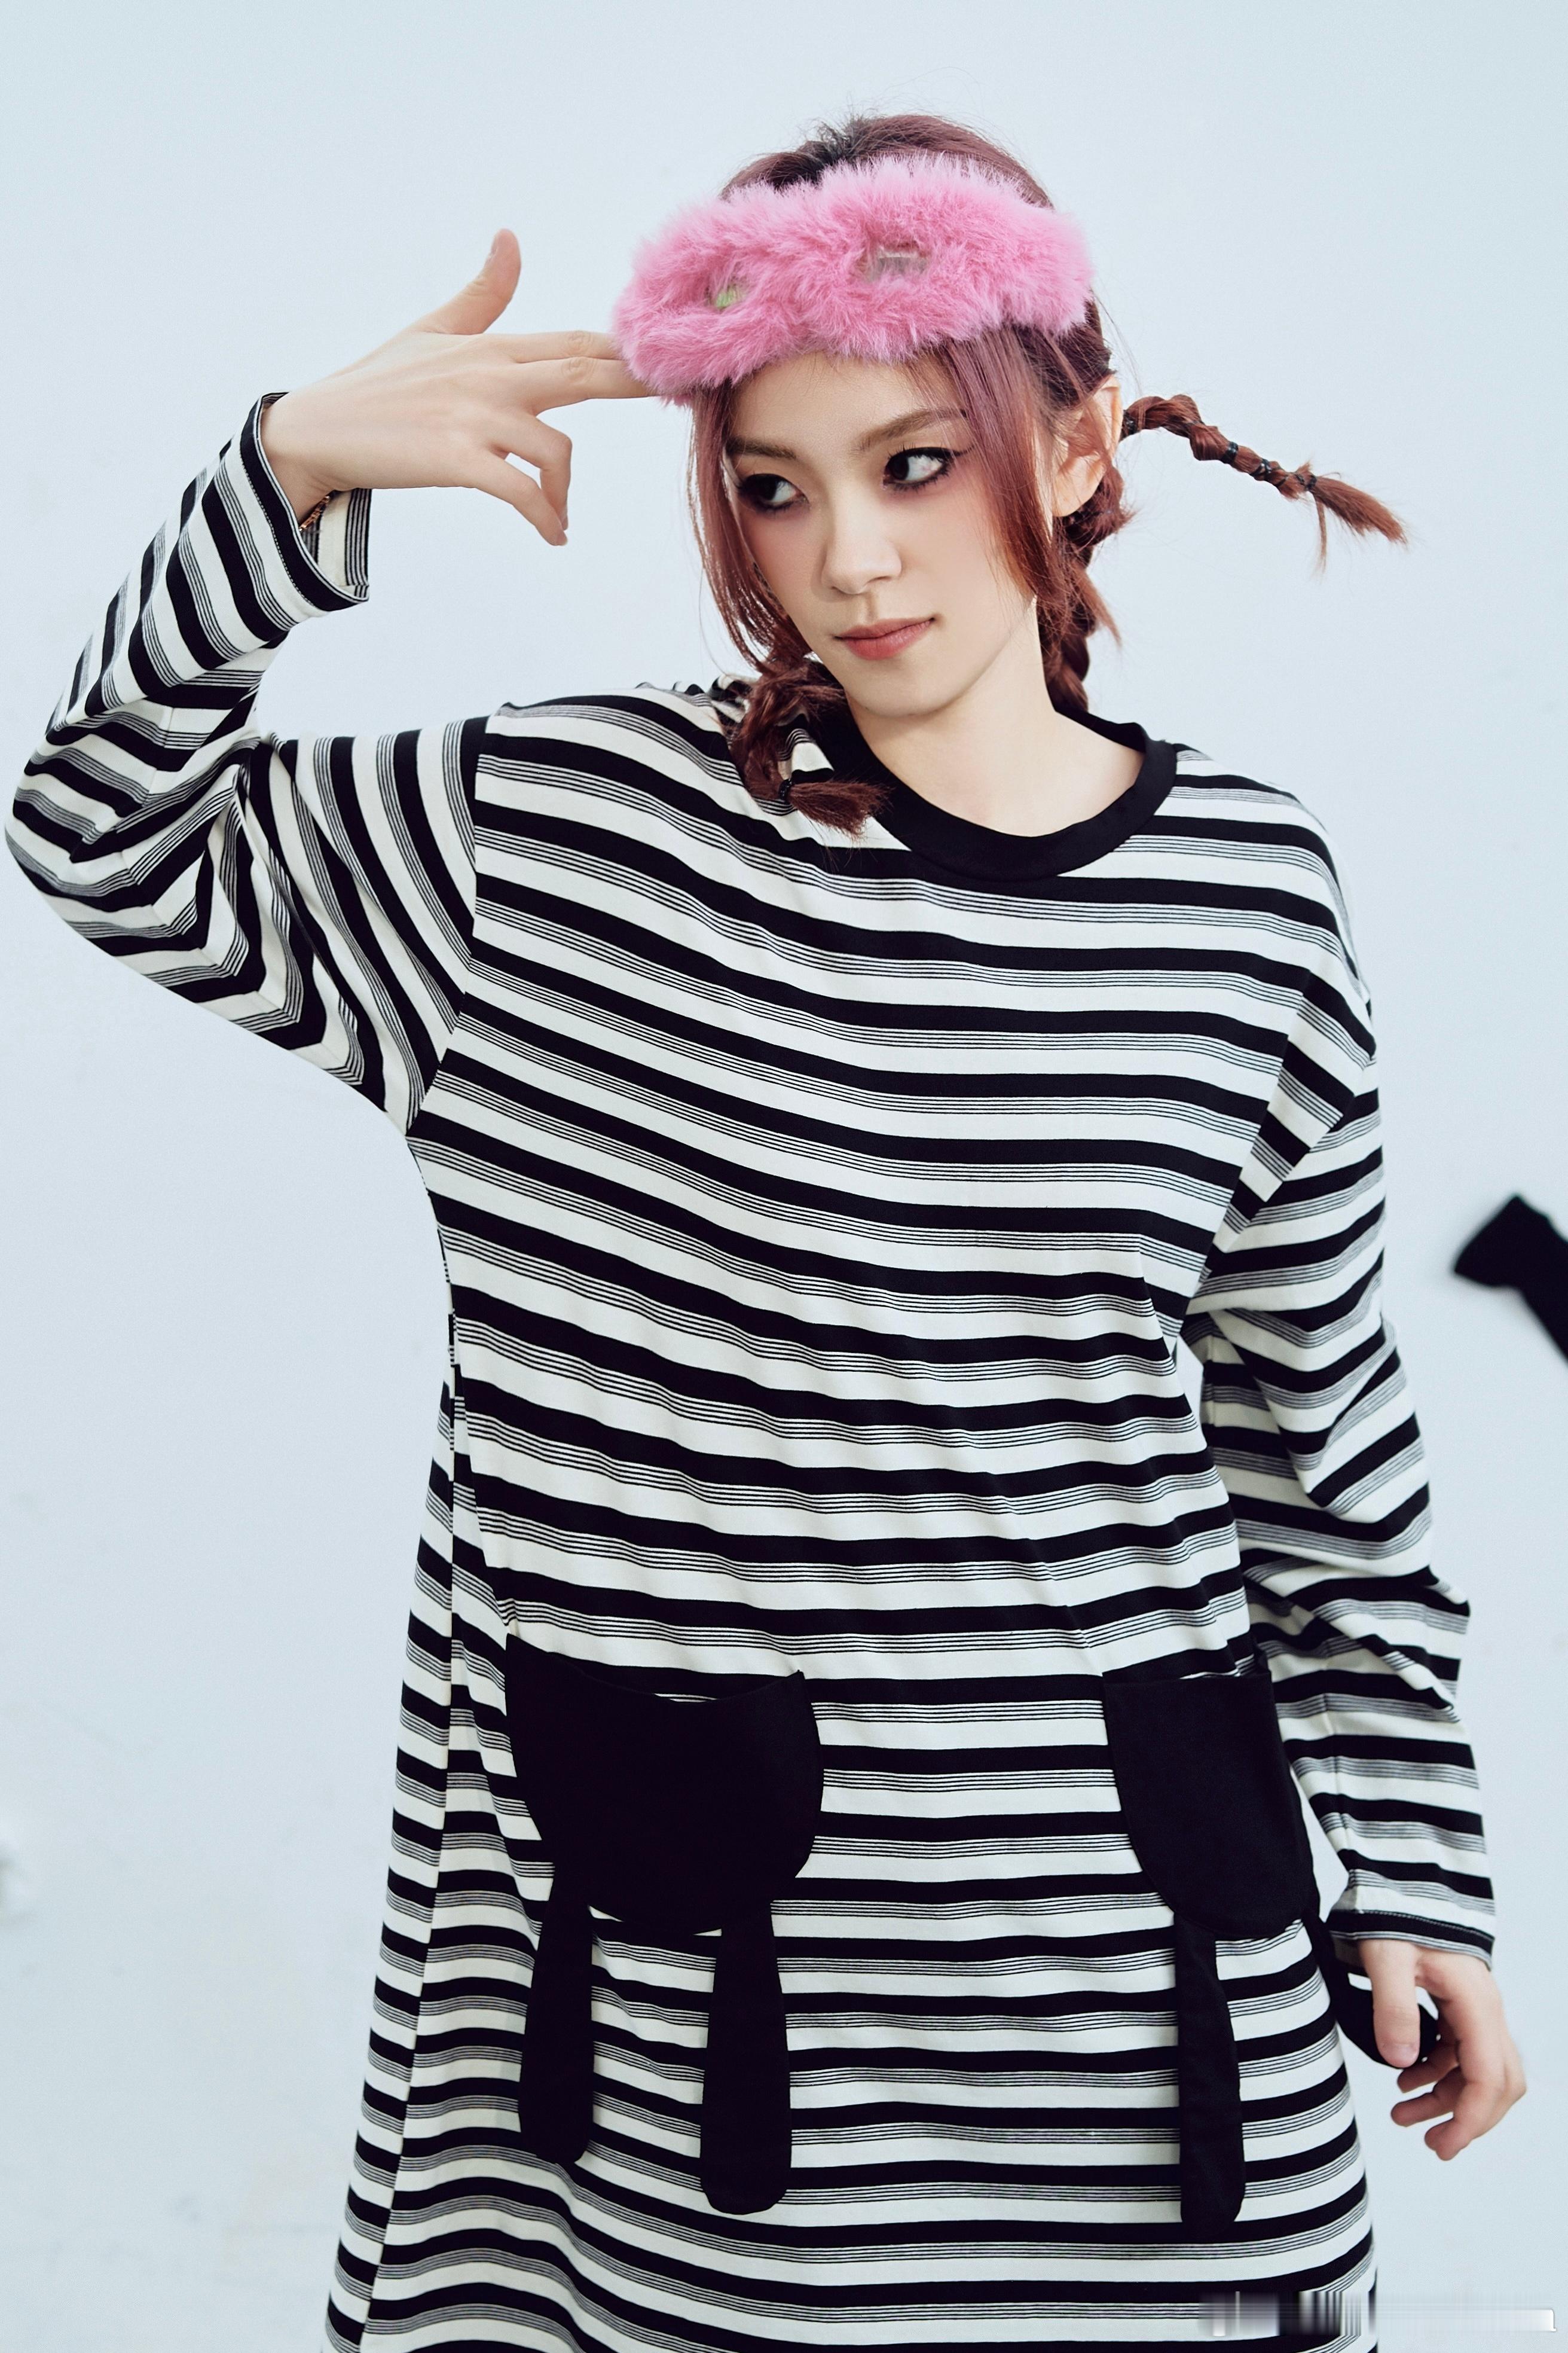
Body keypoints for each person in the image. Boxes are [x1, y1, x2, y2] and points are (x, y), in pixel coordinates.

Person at [8, 110, 1524, 2353]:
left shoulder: (1250, 897)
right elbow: (102, 828)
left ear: (1078, 447)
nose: (850, 559)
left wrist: (1418, 1860)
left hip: (1143, 2025)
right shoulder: (565, 844)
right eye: (776, 487)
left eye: (915, 464)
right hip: (706, 2040)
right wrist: (286, 476)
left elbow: (1315, 1442)